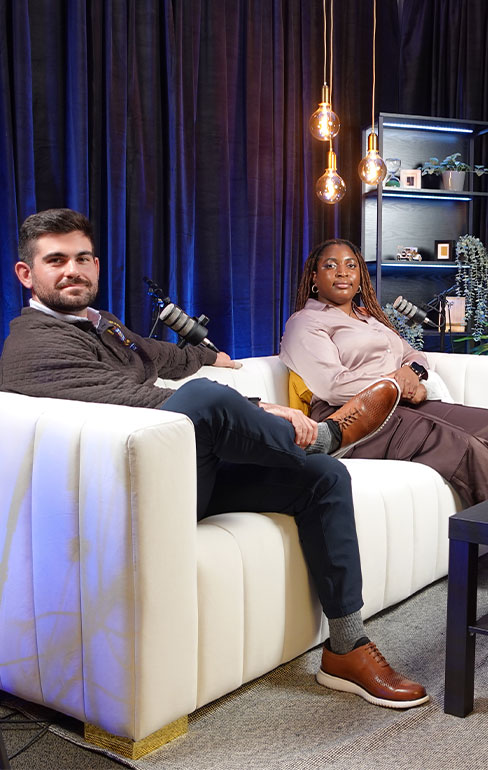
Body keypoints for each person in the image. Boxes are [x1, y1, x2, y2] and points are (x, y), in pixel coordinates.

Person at [0, 208, 428, 710]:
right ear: (27, 274)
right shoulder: (33, 344)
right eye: (56, 260)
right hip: (123, 494)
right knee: (204, 399)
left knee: (323, 479)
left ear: (96, 264)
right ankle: (327, 435)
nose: (73, 270)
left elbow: (154, 355)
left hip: (177, 473)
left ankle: (346, 648)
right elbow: (127, 397)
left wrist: (209, 357)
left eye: (83, 258)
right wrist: (257, 406)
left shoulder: (99, 323)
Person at [279, 238, 488, 512]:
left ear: (360, 276)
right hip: (353, 420)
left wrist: (412, 373)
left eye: (351, 265)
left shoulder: (369, 318)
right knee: (463, 445)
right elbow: (333, 387)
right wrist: (400, 385)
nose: (342, 272)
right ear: (314, 277)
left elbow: (414, 355)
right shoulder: (304, 323)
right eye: (330, 266)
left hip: (402, 406)